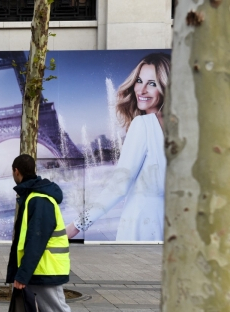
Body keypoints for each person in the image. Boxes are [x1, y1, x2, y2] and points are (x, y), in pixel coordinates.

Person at [0, 154, 92, 312]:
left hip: (43, 271)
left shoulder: (38, 199)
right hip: (38, 271)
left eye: (13, 172)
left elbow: (36, 240)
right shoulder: (35, 197)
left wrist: (22, 274)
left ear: (16, 171)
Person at [67, 53, 171, 241]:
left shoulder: (143, 124)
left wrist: (75, 226)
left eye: (152, 84)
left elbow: (118, 187)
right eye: (139, 81)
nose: (142, 89)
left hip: (140, 224)